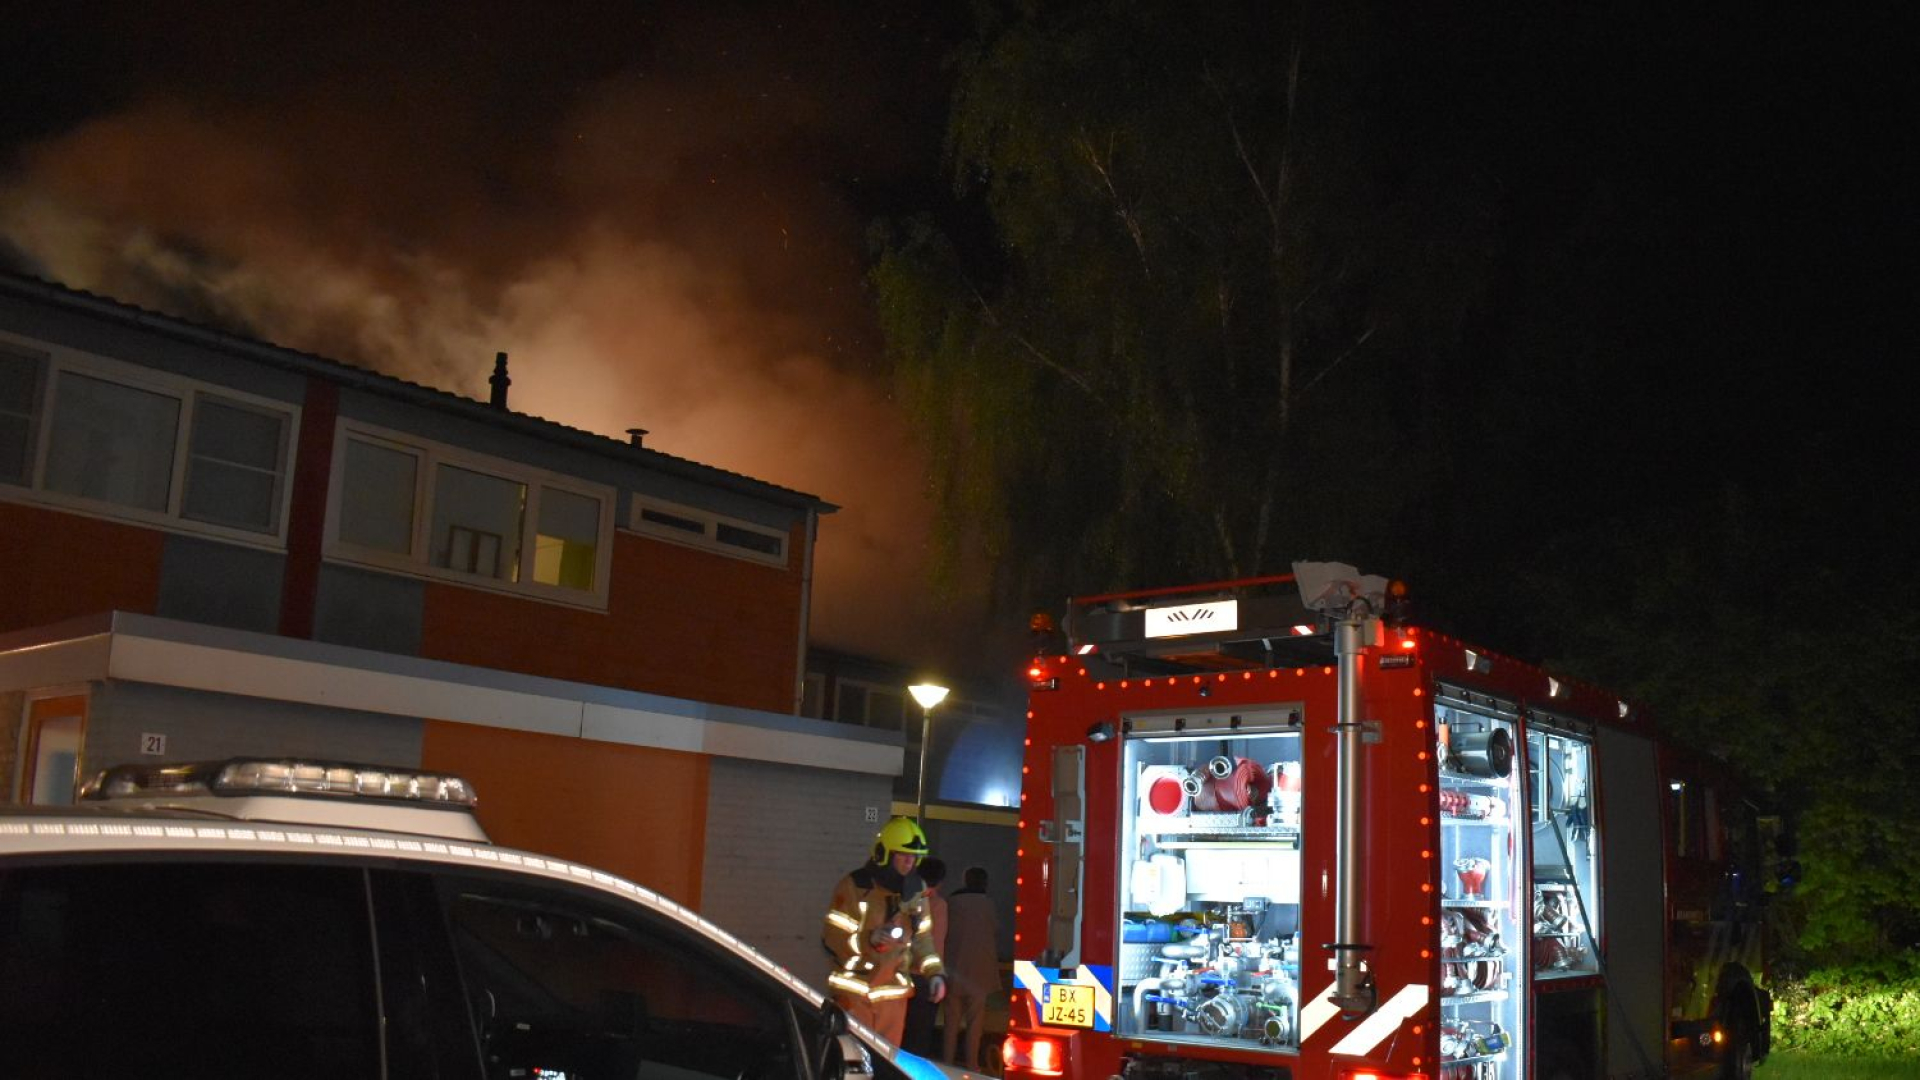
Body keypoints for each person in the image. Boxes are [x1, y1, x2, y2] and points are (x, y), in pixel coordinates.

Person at [824, 816, 946, 1044]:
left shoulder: (916, 892)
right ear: (884, 854)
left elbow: (923, 939)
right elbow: (833, 938)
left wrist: (935, 974)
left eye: (914, 857)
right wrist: (868, 939)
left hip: (893, 1000)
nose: (909, 862)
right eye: (903, 855)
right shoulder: (855, 886)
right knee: (852, 1063)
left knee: (886, 1066)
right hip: (854, 995)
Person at [941, 866, 1002, 1070]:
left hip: (954, 968)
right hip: (980, 970)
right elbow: (994, 929)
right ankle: (972, 1063)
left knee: (951, 1021)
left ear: (965, 880)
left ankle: (947, 1062)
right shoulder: (988, 904)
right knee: (975, 1022)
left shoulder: (952, 903)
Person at [901, 857, 949, 1056]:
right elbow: (935, 942)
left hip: (903, 975)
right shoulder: (938, 905)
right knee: (919, 1039)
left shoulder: (906, 899)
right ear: (940, 881)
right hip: (927, 978)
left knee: (901, 1036)